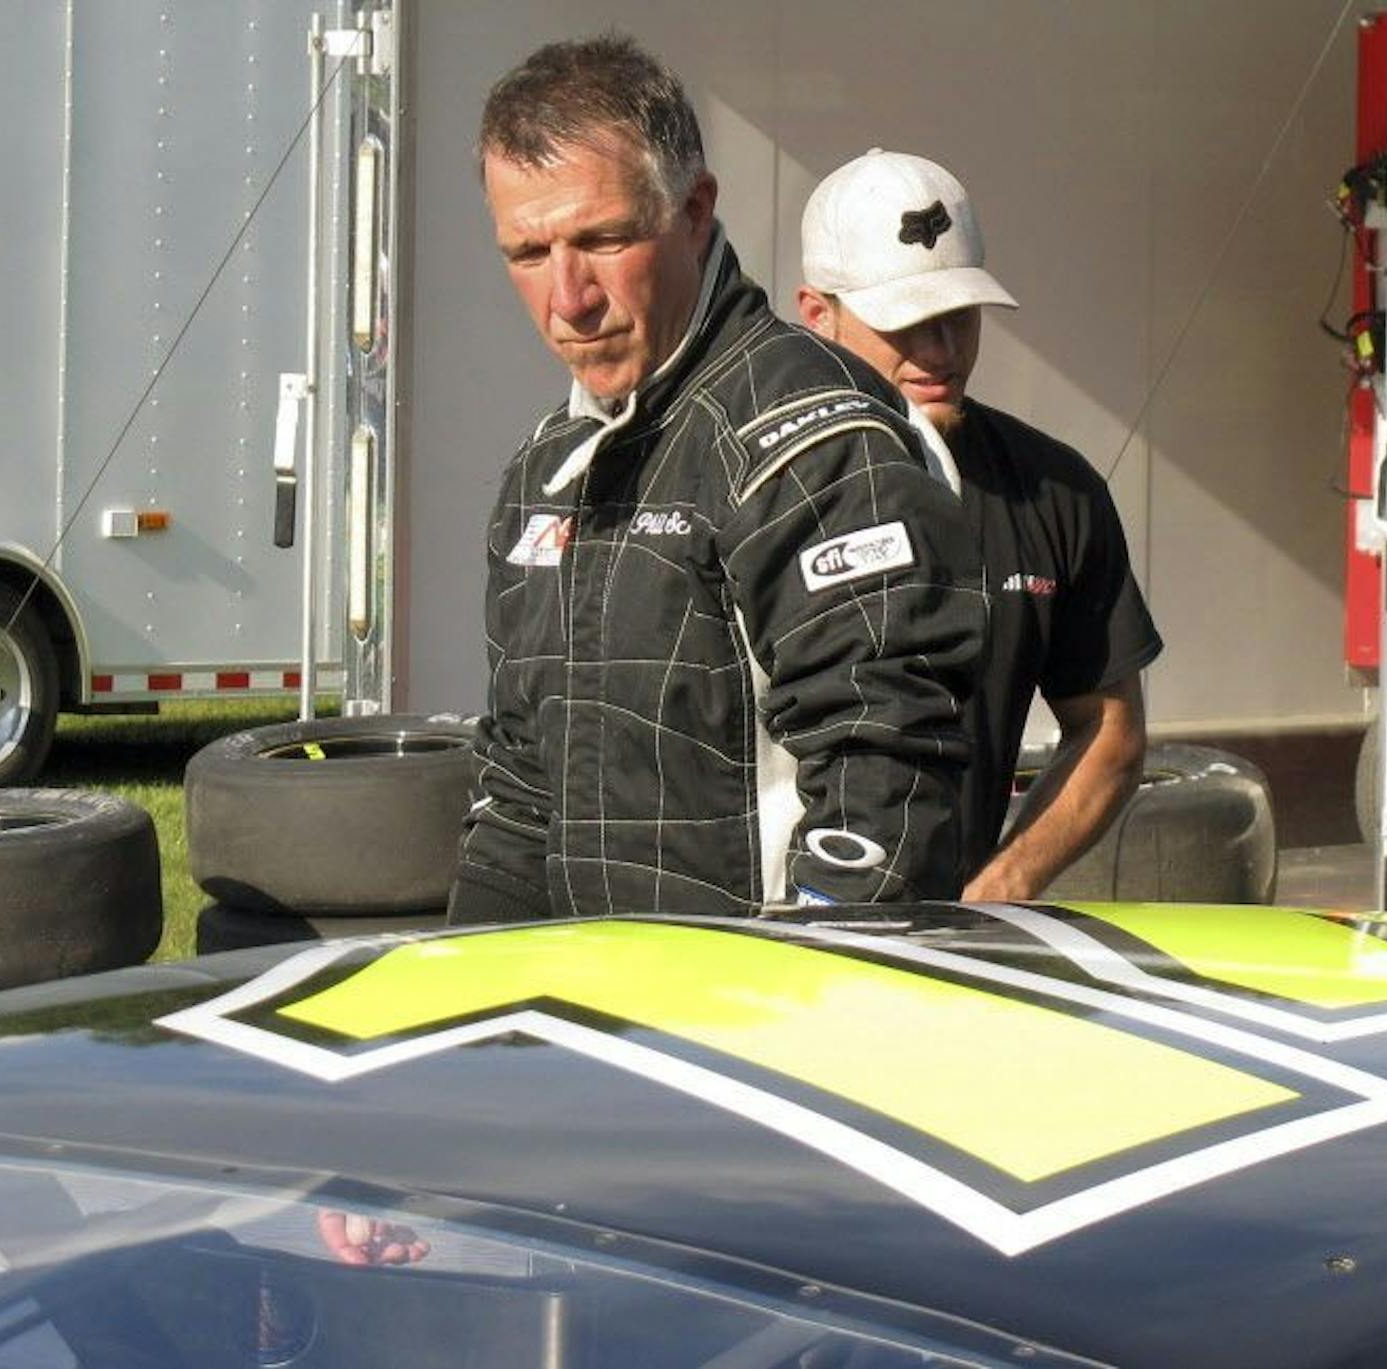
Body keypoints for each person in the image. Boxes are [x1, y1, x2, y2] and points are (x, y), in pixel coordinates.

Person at [448, 37, 987, 925]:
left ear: (696, 211)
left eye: (603, 239)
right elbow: (517, 791)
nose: (568, 297)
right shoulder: (548, 466)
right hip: (591, 1026)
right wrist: (467, 1011)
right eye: (528, 252)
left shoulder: (816, 440)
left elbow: (882, 783)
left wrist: (799, 1016)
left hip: (757, 1027)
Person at [795, 149, 1163, 901]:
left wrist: (1002, 884)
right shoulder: (733, 486)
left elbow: (1110, 730)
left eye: (958, 314)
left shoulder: (1053, 491)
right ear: (816, 315)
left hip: (948, 966)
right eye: (905, 319)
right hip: (748, 957)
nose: (940, 350)